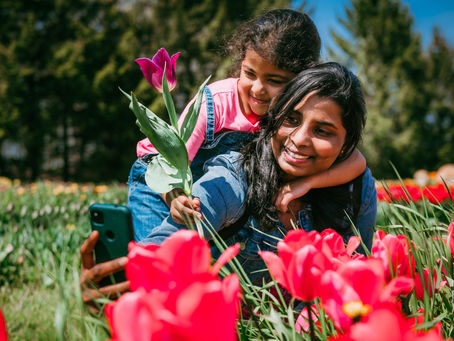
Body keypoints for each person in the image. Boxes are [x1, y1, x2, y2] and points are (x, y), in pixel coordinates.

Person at [80, 62, 377, 305]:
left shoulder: (356, 191)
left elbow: (356, 285)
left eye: (323, 130)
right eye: (291, 119)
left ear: (347, 143)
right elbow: (173, 237)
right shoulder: (234, 175)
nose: (299, 139)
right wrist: (132, 289)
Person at [127, 9, 367, 242]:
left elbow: (357, 162)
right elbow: (172, 162)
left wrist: (305, 183)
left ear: (301, 80)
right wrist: (174, 197)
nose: (258, 89)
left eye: (275, 80)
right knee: (155, 254)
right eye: (250, 74)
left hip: (207, 192)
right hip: (159, 180)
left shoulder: (290, 111)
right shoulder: (215, 102)